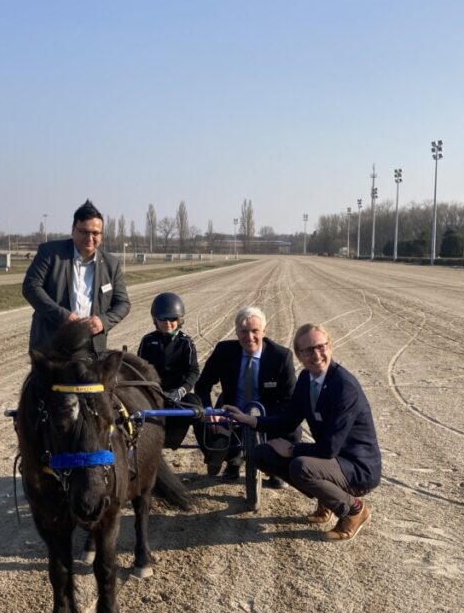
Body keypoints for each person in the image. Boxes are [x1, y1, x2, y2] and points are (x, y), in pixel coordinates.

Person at [225, 323, 381, 542]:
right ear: (299, 355)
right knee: (262, 454)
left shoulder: (344, 387)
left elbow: (329, 448)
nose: (316, 355)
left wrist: (292, 450)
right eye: (307, 350)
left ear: (330, 346)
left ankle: (354, 510)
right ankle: (327, 498)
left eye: (320, 346)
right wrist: (249, 420)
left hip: (357, 466)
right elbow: (287, 422)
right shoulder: (306, 380)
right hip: (332, 461)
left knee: (302, 467)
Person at [194, 306, 297, 483]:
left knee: (293, 431)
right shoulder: (224, 351)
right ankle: (231, 458)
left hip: (266, 414)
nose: (249, 337)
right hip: (232, 410)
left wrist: (269, 423)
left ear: (264, 331)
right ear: (236, 332)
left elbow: (289, 399)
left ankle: (275, 467)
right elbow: (202, 385)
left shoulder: (280, 356)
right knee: (201, 418)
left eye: (255, 331)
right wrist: (211, 412)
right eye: (243, 331)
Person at [22, 199, 130, 353]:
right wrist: (62, 316)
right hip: (51, 346)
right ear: (73, 230)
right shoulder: (50, 253)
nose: (90, 238)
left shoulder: (111, 264)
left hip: (90, 348)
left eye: (95, 233)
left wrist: (102, 321)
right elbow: (31, 287)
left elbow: (123, 304)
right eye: (84, 232)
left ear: (101, 234)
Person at [138, 292, 201, 449]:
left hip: (177, 396)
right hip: (153, 394)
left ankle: (212, 453)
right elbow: (140, 370)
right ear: (155, 320)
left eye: (173, 318)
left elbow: (193, 372)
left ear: (180, 320)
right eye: (163, 318)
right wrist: (153, 391)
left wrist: (180, 392)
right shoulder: (148, 341)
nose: (168, 323)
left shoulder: (186, 343)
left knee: (198, 408)